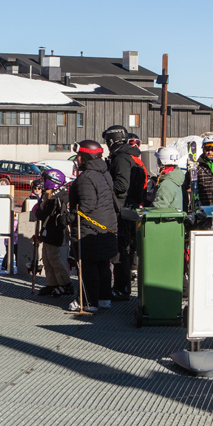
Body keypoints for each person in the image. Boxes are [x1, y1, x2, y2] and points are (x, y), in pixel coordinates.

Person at [66, 139, 119, 312]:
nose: (77, 159)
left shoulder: (86, 178)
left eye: (79, 156)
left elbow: (86, 206)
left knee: (88, 267)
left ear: (87, 157)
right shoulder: (104, 173)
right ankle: (104, 298)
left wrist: (68, 218)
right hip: (105, 226)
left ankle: (88, 302)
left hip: (90, 229)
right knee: (103, 264)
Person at [104, 124, 147, 301]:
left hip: (122, 208)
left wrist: (105, 186)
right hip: (128, 206)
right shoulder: (129, 155)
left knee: (120, 249)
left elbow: (122, 186)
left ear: (112, 140)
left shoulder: (121, 158)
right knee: (123, 248)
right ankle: (122, 286)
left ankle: (121, 287)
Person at [34, 169, 73, 297]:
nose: (43, 182)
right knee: (46, 258)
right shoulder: (49, 194)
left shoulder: (57, 197)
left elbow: (47, 215)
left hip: (54, 230)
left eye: (45, 180)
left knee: (53, 258)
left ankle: (65, 284)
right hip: (48, 230)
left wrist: (38, 212)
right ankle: (52, 283)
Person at [150, 147, 184, 211]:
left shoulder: (165, 186)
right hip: (174, 216)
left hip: (166, 217)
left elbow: (158, 209)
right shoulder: (175, 178)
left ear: (162, 162)